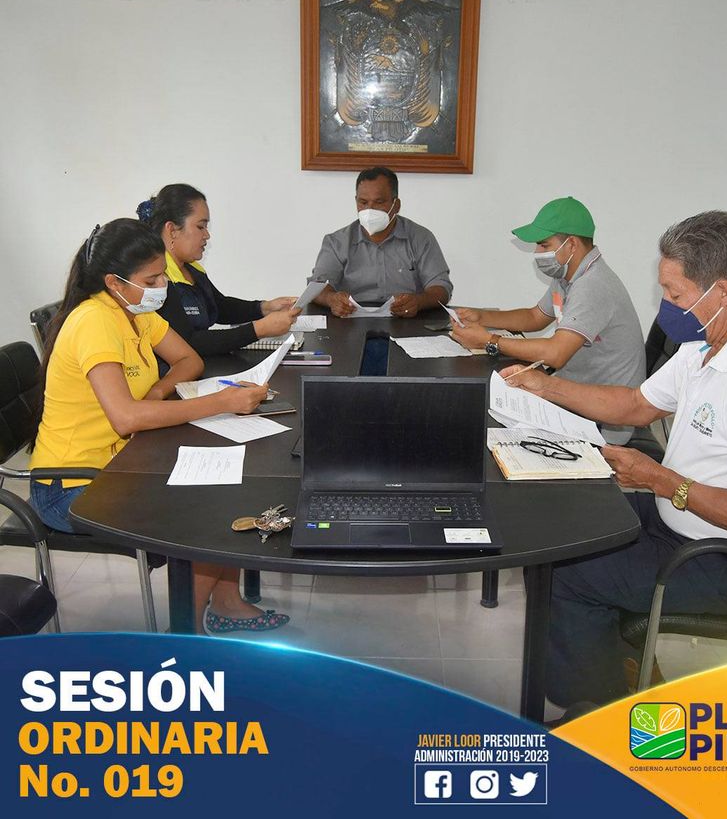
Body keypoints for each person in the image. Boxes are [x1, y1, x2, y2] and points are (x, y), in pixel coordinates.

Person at [500, 210, 727, 709]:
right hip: (683, 524)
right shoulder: (706, 344)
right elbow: (635, 404)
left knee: (566, 571)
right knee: (566, 528)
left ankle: (595, 713)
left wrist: (661, 480)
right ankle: (619, 666)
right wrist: (545, 386)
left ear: (722, 292)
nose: (665, 305)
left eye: (674, 293)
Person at [29, 218, 289, 634]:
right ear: (114, 282)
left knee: (226, 488)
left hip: (122, 463)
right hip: (71, 485)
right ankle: (186, 635)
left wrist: (157, 391)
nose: (161, 287)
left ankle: (225, 603)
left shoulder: (135, 313)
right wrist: (220, 402)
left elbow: (189, 360)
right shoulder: (94, 320)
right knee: (199, 515)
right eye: (151, 280)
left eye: (162, 276)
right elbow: (125, 418)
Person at [450, 197, 645, 445]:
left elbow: (555, 354)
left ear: (571, 244)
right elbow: (535, 317)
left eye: (544, 245)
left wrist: (490, 340)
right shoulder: (568, 275)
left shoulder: (593, 285)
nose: (538, 253)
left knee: (493, 425)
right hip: (575, 391)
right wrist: (482, 316)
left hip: (604, 417)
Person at [138, 184, 300, 356]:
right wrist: (259, 329)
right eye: (200, 227)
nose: (207, 235)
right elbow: (188, 342)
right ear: (172, 230)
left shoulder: (192, 269)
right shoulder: (157, 281)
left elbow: (219, 306)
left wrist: (265, 308)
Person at [309, 166, 453, 318]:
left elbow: (441, 288)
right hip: (350, 319)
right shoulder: (337, 242)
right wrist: (332, 299)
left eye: (379, 202)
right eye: (363, 202)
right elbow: (316, 288)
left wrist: (418, 302)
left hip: (407, 320)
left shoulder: (421, 238)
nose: (369, 209)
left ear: (396, 205)